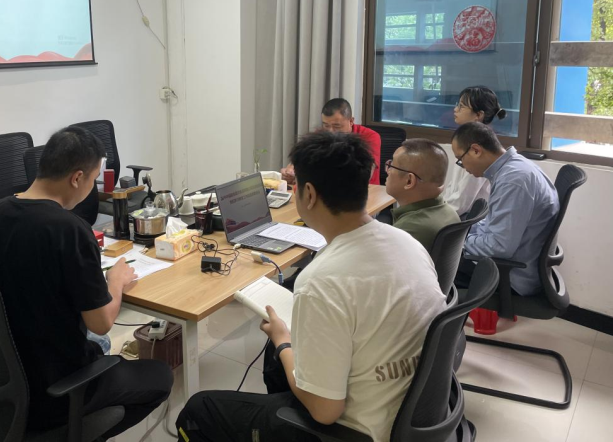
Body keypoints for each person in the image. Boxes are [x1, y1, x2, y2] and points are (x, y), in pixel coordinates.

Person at [176, 132, 445, 442]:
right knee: (279, 365)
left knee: (199, 410)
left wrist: (283, 341)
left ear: (308, 193)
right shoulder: (408, 243)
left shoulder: (321, 282)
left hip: (359, 431)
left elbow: (324, 411)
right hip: (410, 412)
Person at [0, 126, 173, 436]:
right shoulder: (69, 230)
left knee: (96, 344)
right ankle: (70, 432)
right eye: (93, 180)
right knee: (159, 376)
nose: (92, 188)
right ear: (77, 178)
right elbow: (101, 322)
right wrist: (115, 280)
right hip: (51, 391)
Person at [451, 122, 559, 295]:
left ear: (476, 150)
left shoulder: (512, 180)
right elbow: (496, 223)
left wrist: (459, 242)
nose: (463, 166)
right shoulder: (515, 166)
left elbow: (499, 247)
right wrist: (468, 232)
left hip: (510, 276)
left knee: (437, 263)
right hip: (516, 259)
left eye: (460, 159)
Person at [280, 98, 382, 186]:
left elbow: (366, 174)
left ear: (351, 121)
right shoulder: (321, 135)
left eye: (337, 126)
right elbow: (300, 161)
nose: (331, 132)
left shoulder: (370, 136)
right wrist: (291, 172)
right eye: (326, 125)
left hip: (364, 192)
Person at [385, 138, 460, 253]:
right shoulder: (450, 213)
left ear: (409, 181)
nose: (388, 171)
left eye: (392, 166)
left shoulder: (407, 230)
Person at [443, 86, 506, 216]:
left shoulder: (478, 150)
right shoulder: (467, 141)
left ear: (478, 115)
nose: (455, 109)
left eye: (461, 106)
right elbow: (453, 188)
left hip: (465, 218)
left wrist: (437, 213)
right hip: (455, 212)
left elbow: (461, 203)